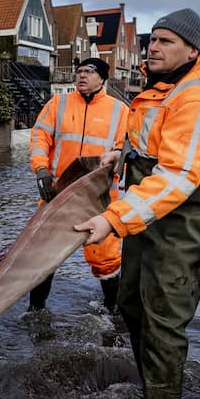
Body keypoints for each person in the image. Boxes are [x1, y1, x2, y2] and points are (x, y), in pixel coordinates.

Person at [74, 8, 200, 399]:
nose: (153, 47)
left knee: (164, 326)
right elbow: (151, 149)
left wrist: (112, 220)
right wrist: (119, 155)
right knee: (129, 303)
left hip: (184, 222)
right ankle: (149, 390)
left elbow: (179, 176)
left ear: (193, 51)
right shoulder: (156, 93)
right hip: (149, 216)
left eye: (166, 42)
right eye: (152, 40)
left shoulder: (197, 100)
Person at [27, 57, 129, 315]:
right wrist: (41, 169)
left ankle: (111, 311)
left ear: (102, 79)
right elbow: (40, 136)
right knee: (42, 254)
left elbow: (125, 149)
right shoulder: (57, 104)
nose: (81, 76)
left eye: (89, 72)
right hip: (57, 193)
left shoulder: (120, 111)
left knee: (105, 257)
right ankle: (35, 310)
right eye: (79, 71)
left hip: (100, 199)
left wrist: (117, 165)